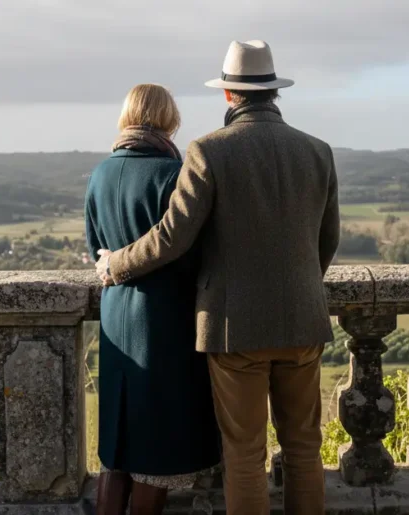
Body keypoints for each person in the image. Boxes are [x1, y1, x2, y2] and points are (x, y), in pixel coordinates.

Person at [96, 41, 341, 515]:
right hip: (305, 324)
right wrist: (300, 289)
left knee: (245, 455)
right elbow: (325, 242)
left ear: (229, 95)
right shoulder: (318, 151)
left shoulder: (207, 151)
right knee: (304, 449)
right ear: (273, 93)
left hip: (235, 331)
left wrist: (115, 264)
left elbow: (171, 238)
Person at [85, 84, 221, 515]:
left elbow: (96, 250)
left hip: (115, 315)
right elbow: (189, 254)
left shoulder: (100, 173)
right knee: (157, 448)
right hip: (163, 319)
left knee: (118, 442)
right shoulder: (172, 175)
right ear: (169, 120)